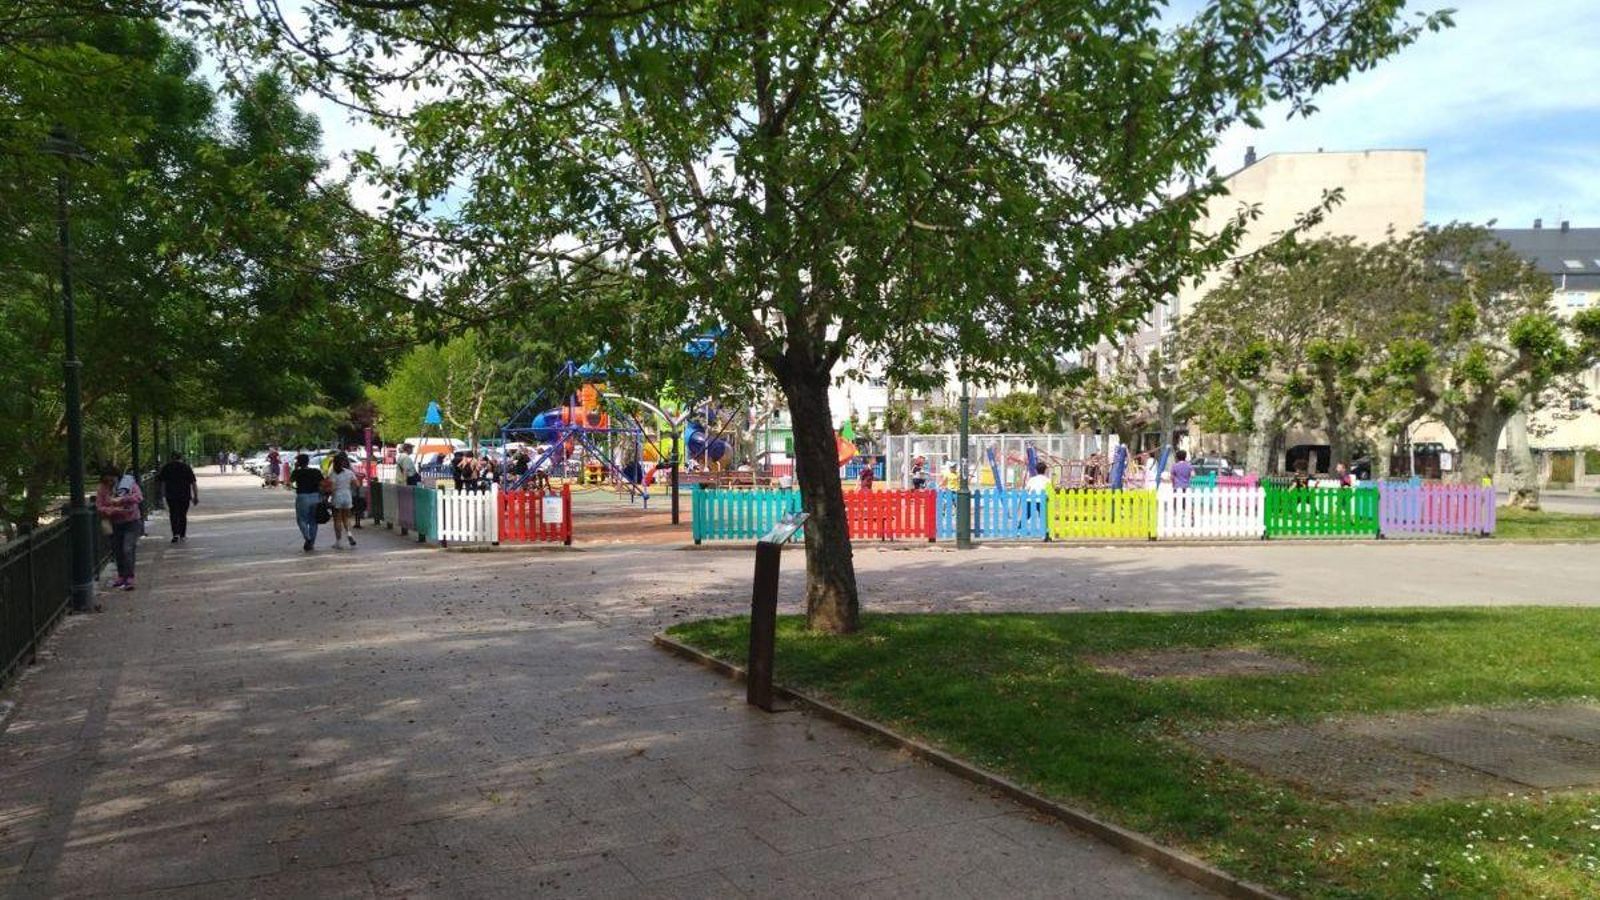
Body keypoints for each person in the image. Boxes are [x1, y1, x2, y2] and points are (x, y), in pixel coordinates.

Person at [95, 467, 143, 590]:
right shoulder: (102, 488)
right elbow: (99, 506)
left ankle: (130, 577)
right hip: (114, 523)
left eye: (112, 480)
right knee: (117, 550)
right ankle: (121, 575)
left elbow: (138, 497)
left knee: (127, 548)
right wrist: (112, 510)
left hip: (131, 521)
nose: (110, 483)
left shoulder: (129, 483)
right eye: (107, 481)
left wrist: (122, 499)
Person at [156, 452, 198, 543]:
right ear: (181, 457)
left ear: (171, 458)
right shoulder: (186, 467)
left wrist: (162, 494)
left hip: (171, 495)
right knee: (183, 515)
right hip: (184, 495)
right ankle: (183, 535)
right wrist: (195, 496)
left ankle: (175, 534)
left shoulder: (166, 467)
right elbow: (193, 482)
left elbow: (162, 482)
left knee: (173, 514)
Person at [290, 453, 326, 552]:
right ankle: (312, 543)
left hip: (302, 497)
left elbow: (290, 481)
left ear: (298, 462)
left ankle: (308, 538)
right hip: (315, 497)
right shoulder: (316, 471)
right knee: (313, 521)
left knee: (301, 519)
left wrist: (296, 468)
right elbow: (322, 484)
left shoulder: (297, 472)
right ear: (308, 461)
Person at [327, 452, 359, 549]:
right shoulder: (349, 472)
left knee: (337, 520)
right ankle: (349, 534)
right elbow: (357, 484)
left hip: (337, 497)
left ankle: (339, 541)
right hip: (347, 496)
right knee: (346, 518)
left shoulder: (332, 474)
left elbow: (331, 488)